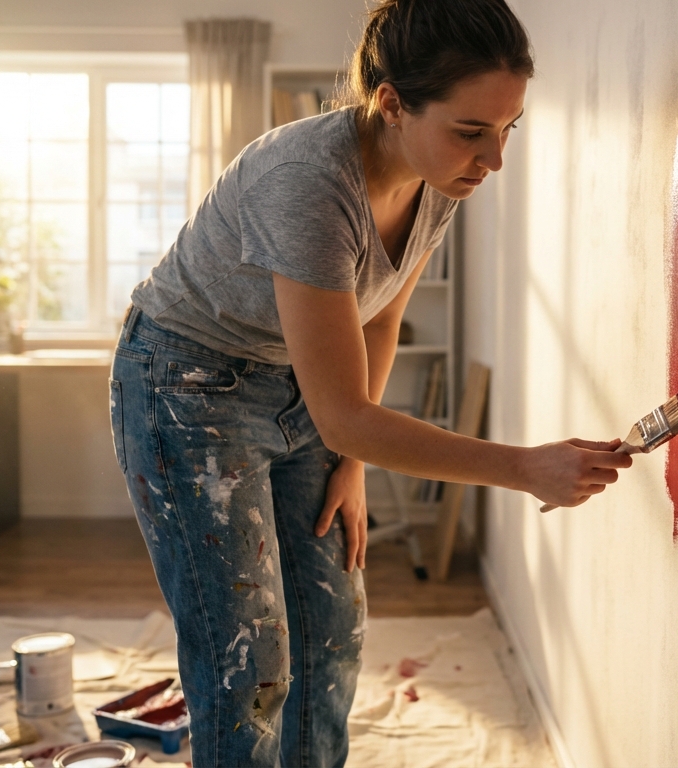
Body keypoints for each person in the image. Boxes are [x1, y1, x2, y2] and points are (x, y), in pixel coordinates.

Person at [109, 0, 631, 764]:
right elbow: (346, 413)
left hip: (299, 387)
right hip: (187, 387)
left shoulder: (439, 176)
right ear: (391, 103)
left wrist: (348, 462)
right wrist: (521, 467)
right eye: (472, 130)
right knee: (248, 664)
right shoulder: (308, 185)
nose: (494, 159)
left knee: (332, 632)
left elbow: (377, 318)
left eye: (507, 128)